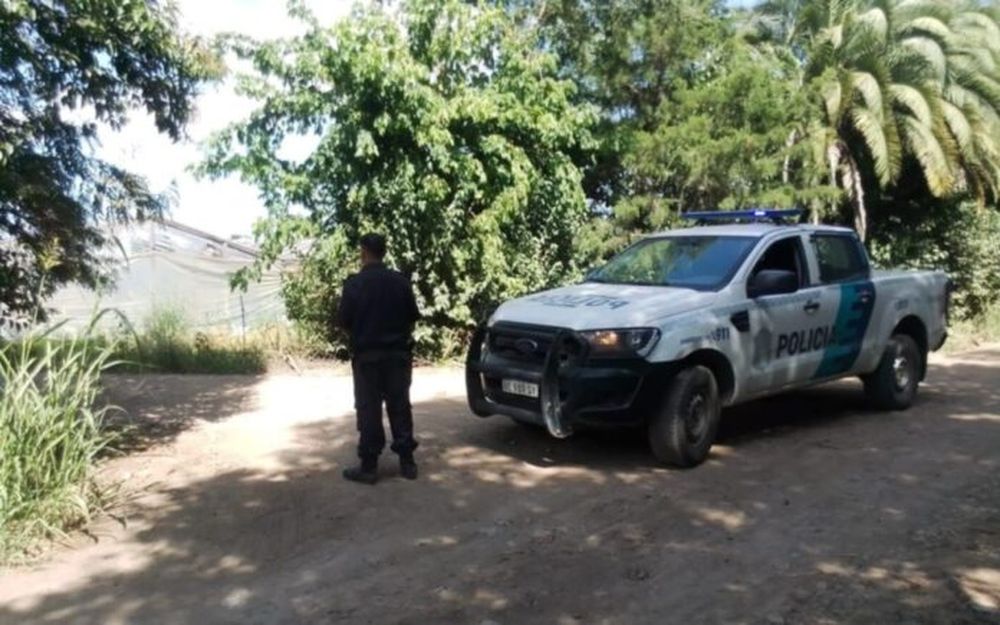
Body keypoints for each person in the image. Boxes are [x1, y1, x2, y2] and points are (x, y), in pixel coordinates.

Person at [338, 233, 421, 485]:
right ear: (384, 252)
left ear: (364, 252)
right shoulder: (400, 282)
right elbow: (412, 316)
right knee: (400, 406)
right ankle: (407, 463)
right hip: (397, 356)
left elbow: (343, 321)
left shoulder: (354, 284)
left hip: (367, 358)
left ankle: (369, 466)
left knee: (368, 410)